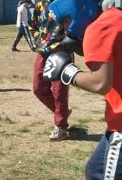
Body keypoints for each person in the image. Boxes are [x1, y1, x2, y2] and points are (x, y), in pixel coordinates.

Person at [43, 0, 122, 178]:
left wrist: (66, 71)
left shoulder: (99, 28)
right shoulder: (116, 16)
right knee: (95, 169)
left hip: (121, 125)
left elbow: (100, 83)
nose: (65, 29)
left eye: (65, 22)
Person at [29, 0, 72, 141]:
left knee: (59, 90)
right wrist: (38, 41)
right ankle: (62, 113)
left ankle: (61, 127)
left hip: (61, 49)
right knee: (38, 88)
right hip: (43, 51)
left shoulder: (65, 3)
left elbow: (74, 24)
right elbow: (32, 25)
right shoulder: (39, 4)